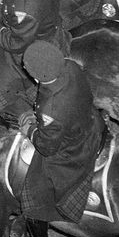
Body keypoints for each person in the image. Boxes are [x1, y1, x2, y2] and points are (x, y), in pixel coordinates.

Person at [17, 41, 107, 223]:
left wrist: (30, 129)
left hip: (75, 149)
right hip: (90, 121)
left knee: (36, 189)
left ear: (36, 76)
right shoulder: (70, 65)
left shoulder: (50, 110)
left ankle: (41, 216)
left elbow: (47, 147)